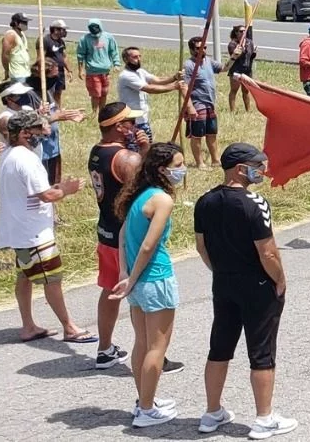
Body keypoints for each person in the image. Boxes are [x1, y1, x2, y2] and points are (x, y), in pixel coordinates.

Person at [194, 143, 298, 438]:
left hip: (224, 282)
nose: (263, 171)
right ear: (241, 169)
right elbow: (268, 253)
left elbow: (201, 246)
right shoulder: (255, 203)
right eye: (259, 166)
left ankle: (212, 411)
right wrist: (279, 279)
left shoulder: (205, 201)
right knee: (262, 351)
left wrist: (220, 270)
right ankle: (264, 418)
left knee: (220, 347)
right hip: (257, 284)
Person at [0, 110, 95, 342]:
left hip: (21, 231)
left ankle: (28, 325)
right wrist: (66, 190)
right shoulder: (27, 159)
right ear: (23, 133)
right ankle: (70, 327)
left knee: (25, 277)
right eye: (38, 130)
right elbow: (47, 195)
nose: (43, 133)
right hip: (35, 234)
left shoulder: (10, 153)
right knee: (52, 279)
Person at [110, 142, 185, 428]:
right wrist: (131, 276)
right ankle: (146, 409)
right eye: (178, 166)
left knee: (142, 342)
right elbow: (149, 245)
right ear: (162, 170)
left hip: (138, 283)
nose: (182, 170)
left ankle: (146, 399)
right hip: (155, 279)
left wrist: (124, 274)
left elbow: (121, 236)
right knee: (157, 347)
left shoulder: (139, 196)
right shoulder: (163, 200)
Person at [90, 103, 165, 371]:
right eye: (130, 122)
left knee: (110, 289)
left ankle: (105, 348)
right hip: (127, 237)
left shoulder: (97, 151)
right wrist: (146, 153)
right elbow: (148, 191)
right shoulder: (127, 159)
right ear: (119, 127)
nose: (135, 126)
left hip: (106, 230)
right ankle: (151, 354)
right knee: (140, 297)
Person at [117, 47, 180, 147]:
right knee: (135, 150)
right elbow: (149, 88)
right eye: (134, 57)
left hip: (143, 120)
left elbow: (157, 80)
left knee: (147, 148)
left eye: (139, 56)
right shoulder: (126, 76)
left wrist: (174, 77)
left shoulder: (140, 72)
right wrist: (174, 86)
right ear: (126, 59)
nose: (138, 59)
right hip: (133, 121)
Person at [183, 36, 224, 169]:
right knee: (197, 136)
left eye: (204, 47)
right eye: (198, 48)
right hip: (197, 105)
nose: (203, 50)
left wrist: (234, 57)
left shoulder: (208, 61)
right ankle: (200, 162)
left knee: (212, 134)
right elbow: (185, 88)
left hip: (209, 105)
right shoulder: (189, 65)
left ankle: (215, 160)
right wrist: (190, 108)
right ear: (191, 49)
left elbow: (224, 69)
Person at [77, 18, 120, 112]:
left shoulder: (108, 37)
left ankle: (102, 111)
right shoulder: (85, 39)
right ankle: (94, 112)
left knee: (104, 93)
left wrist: (116, 64)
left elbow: (114, 51)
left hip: (105, 72)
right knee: (96, 94)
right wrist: (80, 70)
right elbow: (80, 55)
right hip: (92, 72)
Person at [226, 25, 257, 113]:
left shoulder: (249, 42)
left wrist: (254, 52)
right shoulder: (232, 44)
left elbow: (250, 56)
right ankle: (232, 110)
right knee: (234, 90)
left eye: (244, 31)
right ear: (236, 33)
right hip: (236, 69)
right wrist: (241, 49)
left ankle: (248, 110)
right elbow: (235, 56)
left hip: (247, 70)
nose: (243, 33)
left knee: (246, 91)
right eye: (241, 31)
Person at [40, 19, 69, 106]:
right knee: (49, 93)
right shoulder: (46, 40)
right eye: (63, 29)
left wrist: (69, 70)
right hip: (50, 72)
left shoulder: (61, 42)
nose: (65, 32)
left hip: (60, 72)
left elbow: (64, 56)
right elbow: (41, 57)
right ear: (56, 30)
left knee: (58, 93)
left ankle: (58, 109)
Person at [2, 11, 32, 82]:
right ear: (16, 23)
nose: (26, 24)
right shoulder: (11, 35)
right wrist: (7, 70)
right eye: (23, 22)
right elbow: (5, 55)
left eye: (26, 22)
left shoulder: (22, 34)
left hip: (26, 72)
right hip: (17, 74)